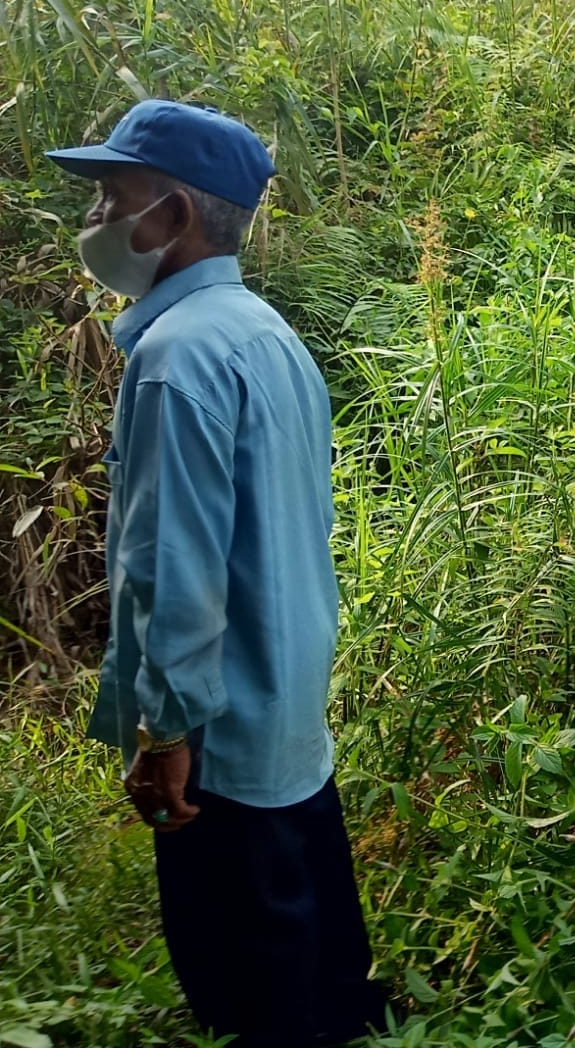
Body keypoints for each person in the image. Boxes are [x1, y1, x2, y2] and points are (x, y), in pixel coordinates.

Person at [49, 100, 387, 1045]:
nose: (95, 222)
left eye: (111, 197)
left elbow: (174, 569)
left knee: (250, 974)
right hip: (284, 692)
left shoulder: (173, 359)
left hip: (219, 729)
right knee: (311, 916)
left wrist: (165, 733)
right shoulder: (268, 334)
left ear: (174, 216)